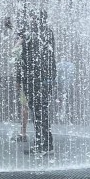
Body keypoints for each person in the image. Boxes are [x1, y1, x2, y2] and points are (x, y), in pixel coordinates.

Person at [18, 16, 56, 156]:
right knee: (40, 112)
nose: (31, 21)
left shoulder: (36, 36)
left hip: (37, 80)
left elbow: (23, 53)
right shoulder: (45, 34)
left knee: (39, 113)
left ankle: (44, 144)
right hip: (41, 79)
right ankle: (43, 143)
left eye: (33, 19)